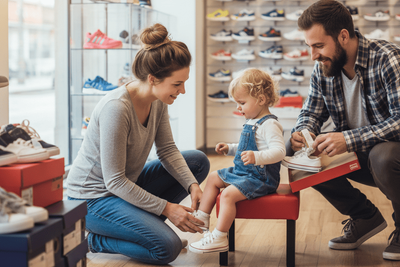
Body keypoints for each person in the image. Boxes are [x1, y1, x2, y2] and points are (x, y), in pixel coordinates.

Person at [67, 23, 210, 265]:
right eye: (177, 84)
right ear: (153, 79)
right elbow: (114, 181)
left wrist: (192, 185)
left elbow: (166, 149)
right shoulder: (117, 108)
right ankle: (91, 241)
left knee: (197, 161)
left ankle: (139, 226)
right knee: (167, 247)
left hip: (122, 187)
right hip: (92, 199)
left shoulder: (157, 99)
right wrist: (167, 209)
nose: (183, 90)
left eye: (184, 82)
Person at [288, 0, 400, 261]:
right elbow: (311, 112)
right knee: (299, 155)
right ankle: (364, 217)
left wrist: (348, 139)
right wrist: (302, 132)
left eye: (319, 45)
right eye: (309, 47)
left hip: (391, 158)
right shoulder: (323, 67)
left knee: (382, 155)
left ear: (343, 36)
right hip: (361, 156)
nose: (313, 55)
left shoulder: (388, 58)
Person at [189, 68, 286, 254]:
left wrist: (256, 157)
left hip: (261, 179)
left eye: (241, 102)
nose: (238, 108)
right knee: (213, 177)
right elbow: (246, 148)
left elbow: (279, 152)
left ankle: (219, 237)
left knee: (227, 195)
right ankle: (202, 218)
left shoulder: (270, 124)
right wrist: (230, 148)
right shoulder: (252, 121)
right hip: (244, 173)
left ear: (261, 100)